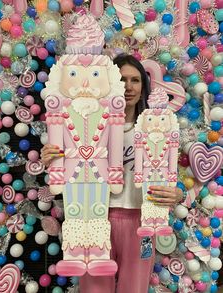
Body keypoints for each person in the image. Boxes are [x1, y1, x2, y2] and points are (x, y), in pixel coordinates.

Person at [41, 54, 183, 293]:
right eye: (122, 79)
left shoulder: (156, 128)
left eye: (135, 80)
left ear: (143, 86)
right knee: (94, 288)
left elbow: (172, 176)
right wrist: (52, 156)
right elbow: (66, 171)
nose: (128, 87)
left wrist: (177, 195)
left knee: (135, 288)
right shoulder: (82, 125)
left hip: (141, 223)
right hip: (96, 218)